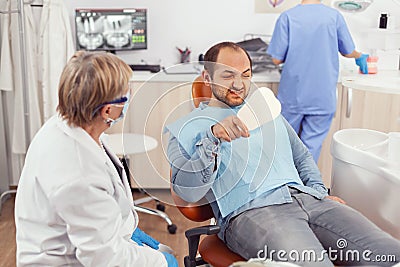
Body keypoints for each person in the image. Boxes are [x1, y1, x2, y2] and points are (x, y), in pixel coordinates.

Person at [166, 42, 400, 267]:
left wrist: (319, 193)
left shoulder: (265, 111)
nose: (239, 84)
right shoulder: (186, 128)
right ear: (207, 77)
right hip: (253, 211)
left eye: (246, 75)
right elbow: (187, 192)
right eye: (228, 76)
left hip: (307, 199)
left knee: (390, 255)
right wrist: (212, 138)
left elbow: (302, 157)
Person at [14, 51, 178, 267]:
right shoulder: (77, 171)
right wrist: (161, 263)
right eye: (126, 95)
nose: (129, 99)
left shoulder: (68, 124)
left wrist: (126, 230)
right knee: (166, 258)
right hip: (66, 261)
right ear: (107, 110)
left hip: (84, 242)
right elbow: (105, 258)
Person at [267, 0, 369, 163]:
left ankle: (285, 185)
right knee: (310, 148)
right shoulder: (334, 16)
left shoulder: (287, 17)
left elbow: (276, 59)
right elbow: (348, 51)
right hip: (322, 96)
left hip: (294, 95)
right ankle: (305, 187)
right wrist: (360, 56)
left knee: (285, 145)